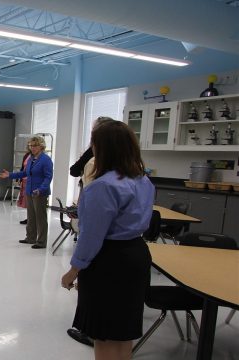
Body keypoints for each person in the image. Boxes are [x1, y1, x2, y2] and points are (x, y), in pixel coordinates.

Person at [60, 120, 154, 360]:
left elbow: (92, 236)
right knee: (123, 334)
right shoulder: (143, 181)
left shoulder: (101, 187)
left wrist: (73, 271)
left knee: (103, 335)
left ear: (102, 148)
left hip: (109, 261)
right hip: (136, 255)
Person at [65, 116, 116, 347]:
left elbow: (92, 235)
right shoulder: (138, 176)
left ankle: (89, 329)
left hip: (105, 247)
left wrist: (73, 271)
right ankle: (107, 330)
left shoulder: (99, 181)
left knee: (93, 287)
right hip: (127, 249)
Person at [0, 136, 53, 249]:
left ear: (41, 146)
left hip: (39, 193)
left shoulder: (46, 160)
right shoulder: (31, 158)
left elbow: (48, 178)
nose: (32, 148)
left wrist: (41, 189)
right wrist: (10, 175)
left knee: (40, 217)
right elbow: (24, 173)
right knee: (31, 216)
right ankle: (30, 238)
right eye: (31, 146)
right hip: (29, 191)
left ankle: (41, 241)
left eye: (35, 146)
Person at [17, 144, 32, 225]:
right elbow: (23, 168)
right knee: (26, 201)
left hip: (32, 182)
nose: (31, 147)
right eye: (30, 146)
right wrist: (19, 178)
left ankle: (32, 219)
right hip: (25, 180)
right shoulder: (26, 155)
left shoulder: (40, 157)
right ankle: (29, 218)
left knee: (31, 202)